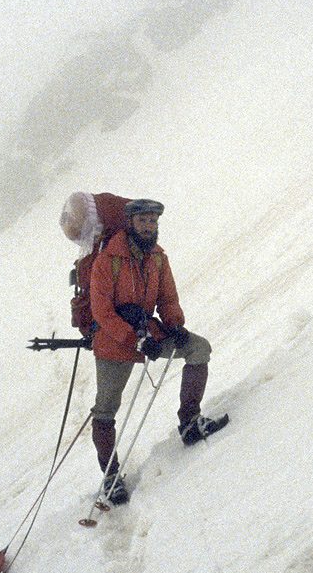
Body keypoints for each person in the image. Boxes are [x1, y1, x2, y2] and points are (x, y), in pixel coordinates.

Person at [87, 198, 228, 504]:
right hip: (114, 342)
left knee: (198, 349)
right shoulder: (107, 261)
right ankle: (111, 476)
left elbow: (168, 298)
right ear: (130, 223)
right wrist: (133, 340)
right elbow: (102, 312)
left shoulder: (158, 259)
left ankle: (190, 422)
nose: (149, 227)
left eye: (153, 222)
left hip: (148, 333)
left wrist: (175, 324)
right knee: (106, 409)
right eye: (143, 222)